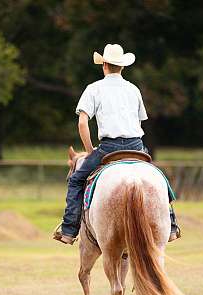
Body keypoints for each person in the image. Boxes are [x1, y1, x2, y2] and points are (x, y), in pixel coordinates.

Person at [53, 43, 180, 245]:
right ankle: (171, 225)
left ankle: (69, 229)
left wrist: (90, 151)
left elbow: (82, 123)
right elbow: (138, 122)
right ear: (122, 66)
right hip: (137, 147)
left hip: (108, 148)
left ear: (104, 64)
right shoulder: (133, 89)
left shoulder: (93, 89)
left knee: (76, 180)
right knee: (159, 178)